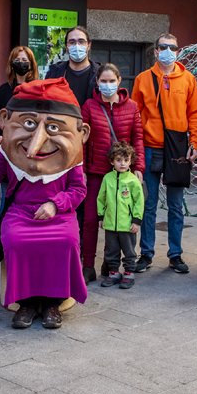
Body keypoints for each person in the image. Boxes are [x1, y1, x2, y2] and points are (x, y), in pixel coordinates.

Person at [0, 78, 90, 330]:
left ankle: (52, 303)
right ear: (5, 119)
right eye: (29, 123)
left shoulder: (71, 160)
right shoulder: (9, 153)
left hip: (59, 215)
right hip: (20, 213)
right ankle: (26, 302)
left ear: (81, 133)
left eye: (53, 128)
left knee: (66, 241)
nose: (37, 141)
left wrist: (55, 204)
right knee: (15, 240)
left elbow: (79, 190)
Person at [132, 33, 197, 274]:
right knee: (148, 204)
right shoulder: (142, 79)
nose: (167, 51)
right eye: (163, 47)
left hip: (177, 148)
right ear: (155, 51)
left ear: (178, 51)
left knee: (175, 205)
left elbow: (195, 113)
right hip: (150, 147)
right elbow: (136, 115)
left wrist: (194, 142)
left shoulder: (189, 80)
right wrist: (136, 148)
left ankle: (175, 254)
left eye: (172, 47)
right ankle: (146, 253)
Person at [80, 63, 144, 283]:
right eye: (103, 81)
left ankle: (112, 263)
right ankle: (88, 265)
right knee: (90, 220)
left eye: (111, 81)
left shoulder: (132, 106)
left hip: (124, 174)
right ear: (97, 83)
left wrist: (138, 168)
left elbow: (138, 139)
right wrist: (82, 169)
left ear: (119, 81)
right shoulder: (89, 106)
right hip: (97, 172)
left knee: (119, 220)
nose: (107, 85)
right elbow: (82, 141)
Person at [0, 46, 39, 212]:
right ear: (11, 63)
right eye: (17, 60)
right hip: (8, 150)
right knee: (7, 194)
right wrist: (0, 138)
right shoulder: (4, 90)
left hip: (31, 150)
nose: (21, 64)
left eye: (25, 61)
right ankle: (3, 233)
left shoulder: (38, 90)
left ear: (31, 64)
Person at [97, 142, 144, 289]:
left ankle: (129, 273)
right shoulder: (107, 178)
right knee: (111, 251)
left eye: (126, 160)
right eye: (118, 160)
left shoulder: (133, 180)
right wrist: (101, 216)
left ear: (130, 161)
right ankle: (114, 273)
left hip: (128, 225)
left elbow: (139, 201)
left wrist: (136, 220)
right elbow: (101, 198)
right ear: (112, 161)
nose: (122, 163)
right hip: (111, 224)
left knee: (129, 251)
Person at [45, 26, 100, 105]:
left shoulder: (100, 74)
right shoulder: (54, 73)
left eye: (81, 41)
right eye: (72, 42)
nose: (77, 46)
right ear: (66, 47)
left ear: (89, 45)